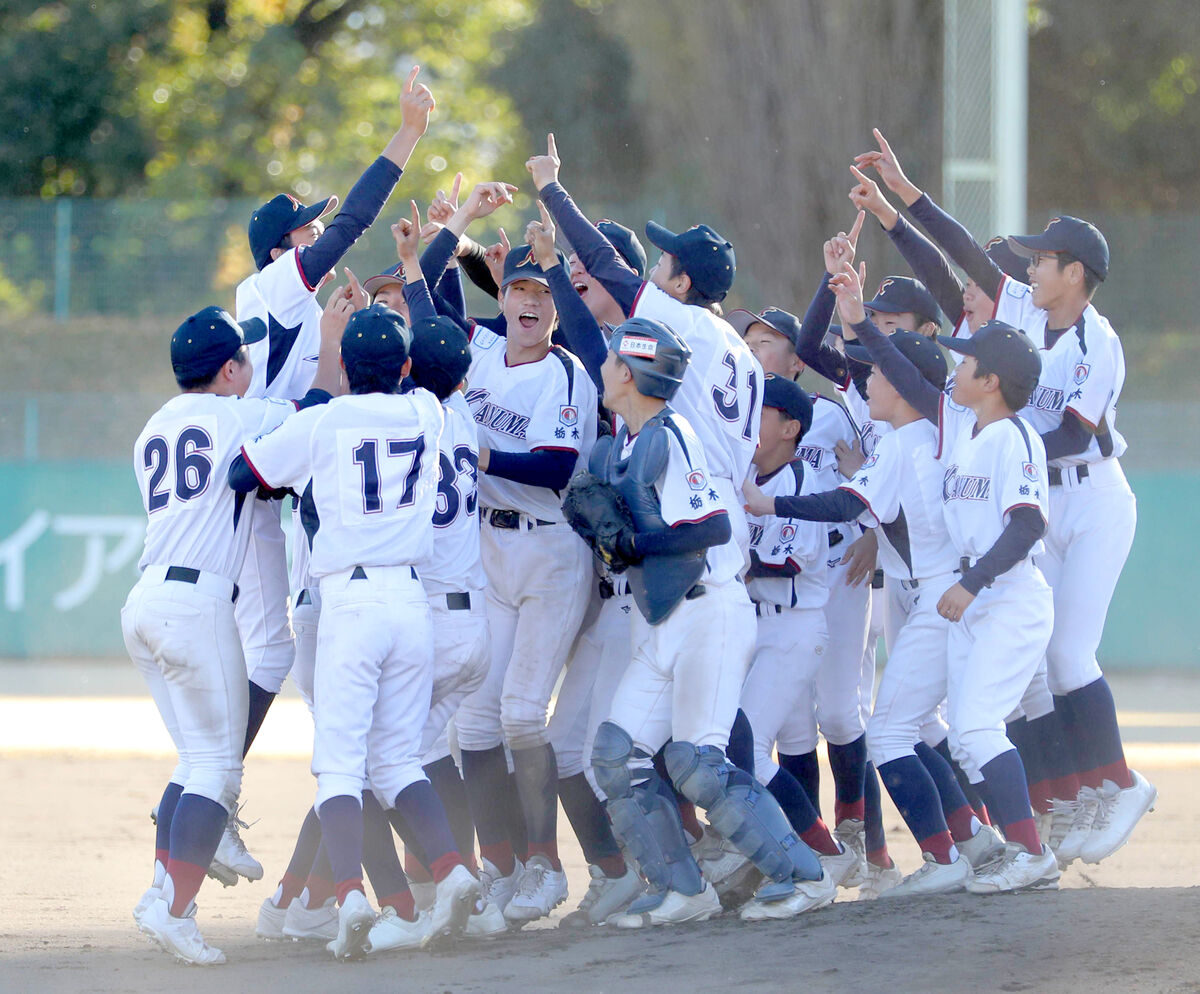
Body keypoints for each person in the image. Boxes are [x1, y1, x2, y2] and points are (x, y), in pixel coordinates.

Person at [855, 129, 1156, 866]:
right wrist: (902, 191)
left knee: (1067, 650)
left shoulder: (1098, 343)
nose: (1026, 267)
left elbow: (1075, 438)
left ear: (1075, 273)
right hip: (1035, 497)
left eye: (1042, 259)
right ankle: (1073, 792)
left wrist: (989, 450)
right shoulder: (1021, 311)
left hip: (1091, 498)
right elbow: (959, 253)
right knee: (1034, 669)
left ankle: (1121, 781)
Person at [220, 66, 437, 886]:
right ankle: (211, 797)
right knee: (264, 651)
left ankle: (251, 835)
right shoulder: (274, 286)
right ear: (284, 251)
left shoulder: (305, 307)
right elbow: (352, 222)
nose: (319, 237)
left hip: (276, 473)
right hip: (248, 474)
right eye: (304, 232)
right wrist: (406, 136)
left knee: (274, 652)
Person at [231, 304, 481, 957]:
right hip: (410, 598)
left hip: (350, 601)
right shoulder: (429, 412)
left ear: (344, 367)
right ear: (403, 369)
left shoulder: (323, 420)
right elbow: (432, 370)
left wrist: (320, 376)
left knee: (340, 766)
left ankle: (347, 901)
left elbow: (246, 474)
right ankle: (452, 870)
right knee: (399, 758)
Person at [827, 259, 1061, 893]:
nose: (952, 369)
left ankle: (1029, 851)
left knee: (978, 728)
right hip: (971, 597)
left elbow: (1026, 526)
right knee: (958, 734)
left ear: (990, 381)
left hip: (1004, 596)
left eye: (964, 364)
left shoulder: (1014, 437)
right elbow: (906, 375)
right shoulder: (962, 427)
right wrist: (856, 322)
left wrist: (972, 583)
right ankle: (993, 849)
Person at [126, 301, 342, 964]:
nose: (250, 367)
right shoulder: (239, 414)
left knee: (197, 761)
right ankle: (176, 909)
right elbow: (315, 406)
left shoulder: (152, 429)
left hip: (143, 601)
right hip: (196, 604)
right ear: (227, 369)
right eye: (243, 358)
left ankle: (161, 890)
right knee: (217, 766)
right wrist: (331, 335)